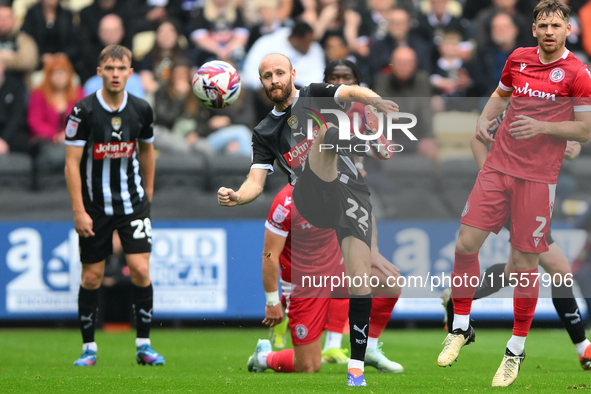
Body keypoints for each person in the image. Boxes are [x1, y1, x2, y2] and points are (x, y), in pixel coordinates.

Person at [218, 51, 398, 386]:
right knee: (326, 135)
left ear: (292, 73)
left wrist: (379, 102)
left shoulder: (315, 93)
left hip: (349, 197)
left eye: (279, 73)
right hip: (313, 203)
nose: (275, 80)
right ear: (261, 82)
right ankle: (369, 143)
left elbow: (353, 92)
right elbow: (255, 181)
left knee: (365, 285)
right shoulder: (265, 131)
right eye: (268, 76)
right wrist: (238, 196)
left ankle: (355, 369)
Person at [437, 0, 591, 387]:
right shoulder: (518, 59)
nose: (550, 31)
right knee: (465, 244)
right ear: (535, 29)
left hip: (537, 181)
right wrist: (483, 120)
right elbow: (500, 94)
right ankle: (459, 326)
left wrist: (545, 129)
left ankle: (516, 350)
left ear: (568, 29)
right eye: (543, 25)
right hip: (497, 171)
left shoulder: (578, 73)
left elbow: (585, 130)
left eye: (557, 24)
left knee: (526, 267)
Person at [441, 128, 591, 371]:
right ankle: (582, 347)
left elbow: (571, 146)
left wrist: (572, 148)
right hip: (513, 195)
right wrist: (491, 179)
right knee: (559, 269)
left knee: (516, 271)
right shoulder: (517, 103)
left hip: (535, 194)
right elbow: (476, 139)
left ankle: (458, 297)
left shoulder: (556, 108)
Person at [64, 44, 164, 367]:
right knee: (92, 276)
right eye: (109, 68)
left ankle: (144, 345)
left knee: (140, 269)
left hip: (132, 203)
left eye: (121, 69)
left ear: (131, 73)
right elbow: (71, 163)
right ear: (99, 72)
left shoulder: (141, 109)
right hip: (94, 207)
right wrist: (79, 210)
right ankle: (89, 348)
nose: (116, 74)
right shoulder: (83, 111)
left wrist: (146, 193)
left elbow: (147, 152)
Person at [248, 182, 403, 374]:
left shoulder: (340, 185)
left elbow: (364, 210)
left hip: (338, 271)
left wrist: (374, 250)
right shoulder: (286, 203)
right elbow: (269, 255)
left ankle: (368, 349)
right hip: (305, 285)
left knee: (390, 281)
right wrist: (272, 301)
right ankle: (263, 358)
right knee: (307, 366)